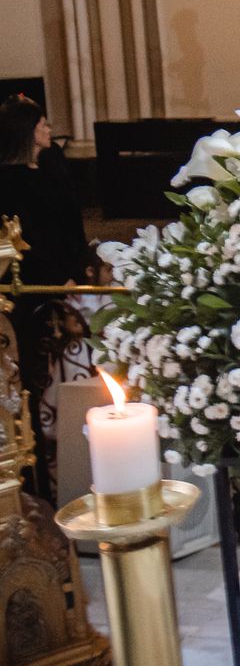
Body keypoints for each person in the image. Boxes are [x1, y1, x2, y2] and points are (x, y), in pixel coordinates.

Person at [0, 97, 89, 436]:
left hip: (67, 278)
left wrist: (76, 269)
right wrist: (56, 278)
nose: (49, 129)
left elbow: (68, 223)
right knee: (36, 370)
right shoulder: (9, 182)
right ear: (27, 133)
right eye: (42, 125)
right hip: (38, 287)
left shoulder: (51, 167)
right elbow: (29, 240)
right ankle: (40, 437)